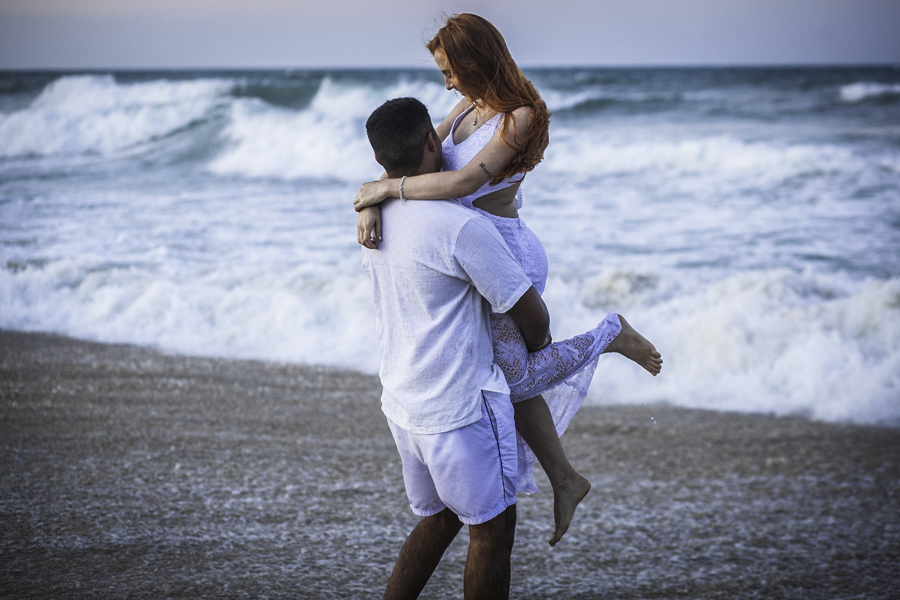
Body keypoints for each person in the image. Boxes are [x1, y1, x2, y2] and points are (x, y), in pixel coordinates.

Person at [355, 14, 663, 547]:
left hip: (503, 254)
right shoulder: (465, 108)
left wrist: (391, 192)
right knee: (507, 379)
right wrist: (370, 196)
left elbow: (465, 181)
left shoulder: (519, 116)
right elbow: (407, 160)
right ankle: (564, 477)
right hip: (467, 249)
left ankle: (610, 333)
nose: (447, 82)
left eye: (451, 70)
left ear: (475, 61)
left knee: (514, 380)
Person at [362, 97, 553, 599]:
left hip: (403, 404)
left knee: (437, 520)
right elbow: (532, 315)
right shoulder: (460, 228)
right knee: (492, 533)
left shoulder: (373, 218)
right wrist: (534, 353)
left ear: (382, 165)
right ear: (434, 141)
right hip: (459, 409)